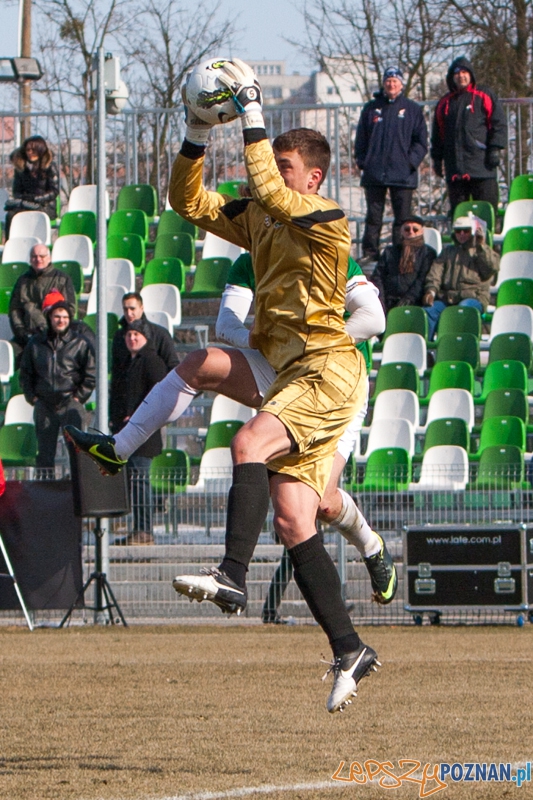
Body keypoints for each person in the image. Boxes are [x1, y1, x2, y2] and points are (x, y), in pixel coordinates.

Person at [66, 58, 385, 714]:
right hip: (286, 368)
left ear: (314, 178)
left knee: (248, 444)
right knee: (294, 517)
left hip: (327, 368)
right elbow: (187, 202)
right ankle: (350, 647)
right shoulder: (261, 218)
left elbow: (270, 191)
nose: (270, 174)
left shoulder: (324, 215)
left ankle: (231, 575)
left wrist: (251, 107)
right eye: (275, 165)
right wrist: (194, 131)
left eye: (286, 167)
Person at [354, 66, 428, 265]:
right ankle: (370, 252)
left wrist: (410, 162)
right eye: (388, 81)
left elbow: (421, 142)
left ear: (401, 84)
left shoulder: (412, 109)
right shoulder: (371, 108)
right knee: (373, 217)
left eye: (395, 81)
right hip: (375, 173)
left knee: (402, 218)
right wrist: (363, 161)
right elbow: (361, 138)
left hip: (403, 175)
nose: (391, 84)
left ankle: (400, 253)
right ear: (383, 84)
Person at [19, 296, 95, 469]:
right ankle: (46, 486)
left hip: (70, 403)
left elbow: (90, 374)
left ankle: (77, 484)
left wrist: (78, 397)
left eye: (65, 317)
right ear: (50, 318)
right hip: (44, 405)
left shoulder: (80, 343)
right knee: (44, 454)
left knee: (76, 453)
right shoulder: (36, 343)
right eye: (57, 317)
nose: (61, 321)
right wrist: (33, 398)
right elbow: (25, 374)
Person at [110, 319, 168, 545]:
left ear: (145, 338)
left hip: (144, 434)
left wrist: (137, 415)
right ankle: (138, 529)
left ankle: (144, 531)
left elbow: (158, 396)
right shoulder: (127, 362)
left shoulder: (152, 361)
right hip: (128, 431)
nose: (132, 338)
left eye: (136, 334)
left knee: (140, 481)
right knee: (134, 481)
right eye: (129, 335)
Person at [431, 56, 507, 217]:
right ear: (452, 77)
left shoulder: (484, 95)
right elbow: (438, 134)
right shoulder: (445, 102)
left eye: (464, 72)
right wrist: (437, 159)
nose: (461, 76)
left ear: (471, 74)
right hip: (455, 170)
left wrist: (495, 148)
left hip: (482, 167)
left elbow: (498, 123)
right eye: (457, 73)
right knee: (460, 217)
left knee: (487, 214)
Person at [422, 214, 500, 340]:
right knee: (429, 311)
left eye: (466, 231)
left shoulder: (481, 251)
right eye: (458, 231)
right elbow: (435, 273)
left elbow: (491, 268)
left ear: (472, 232)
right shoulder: (448, 252)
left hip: (474, 298)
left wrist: (481, 246)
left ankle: (461, 344)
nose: (462, 234)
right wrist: (431, 291)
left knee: (463, 309)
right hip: (449, 298)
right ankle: (427, 346)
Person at [111, 292, 179, 417]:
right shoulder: (119, 337)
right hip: (124, 409)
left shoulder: (160, 334)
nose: (129, 313)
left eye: (132, 309)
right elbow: (117, 374)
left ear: (141, 308)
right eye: (125, 309)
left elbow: (172, 366)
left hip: (154, 407)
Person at [9, 243, 76, 361]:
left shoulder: (62, 279)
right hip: (25, 336)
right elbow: (14, 309)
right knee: (7, 355)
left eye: (42, 256)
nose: (38, 259)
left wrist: (52, 331)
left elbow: (70, 308)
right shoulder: (22, 281)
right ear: (30, 259)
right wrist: (20, 331)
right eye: (34, 256)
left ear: (49, 258)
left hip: (53, 337)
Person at [370, 215, 436, 312]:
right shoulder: (390, 252)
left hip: (415, 302)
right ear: (401, 231)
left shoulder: (428, 253)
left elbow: (422, 279)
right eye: (407, 229)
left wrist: (410, 298)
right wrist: (381, 299)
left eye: (415, 229)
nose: (411, 232)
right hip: (389, 301)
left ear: (422, 231)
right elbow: (378, 276)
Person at [4, 135, 59, 238]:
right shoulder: (21, 168)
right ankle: (10, 243)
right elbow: (16, 191)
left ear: (40, 150)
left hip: (45, 206)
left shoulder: (49, 166)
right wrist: (24, 198)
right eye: (28, 150)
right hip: (26, 204)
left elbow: (54, 191)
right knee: (11, 215)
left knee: (32, 215)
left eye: (33, 150)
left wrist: (37, 199)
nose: (30, 152)